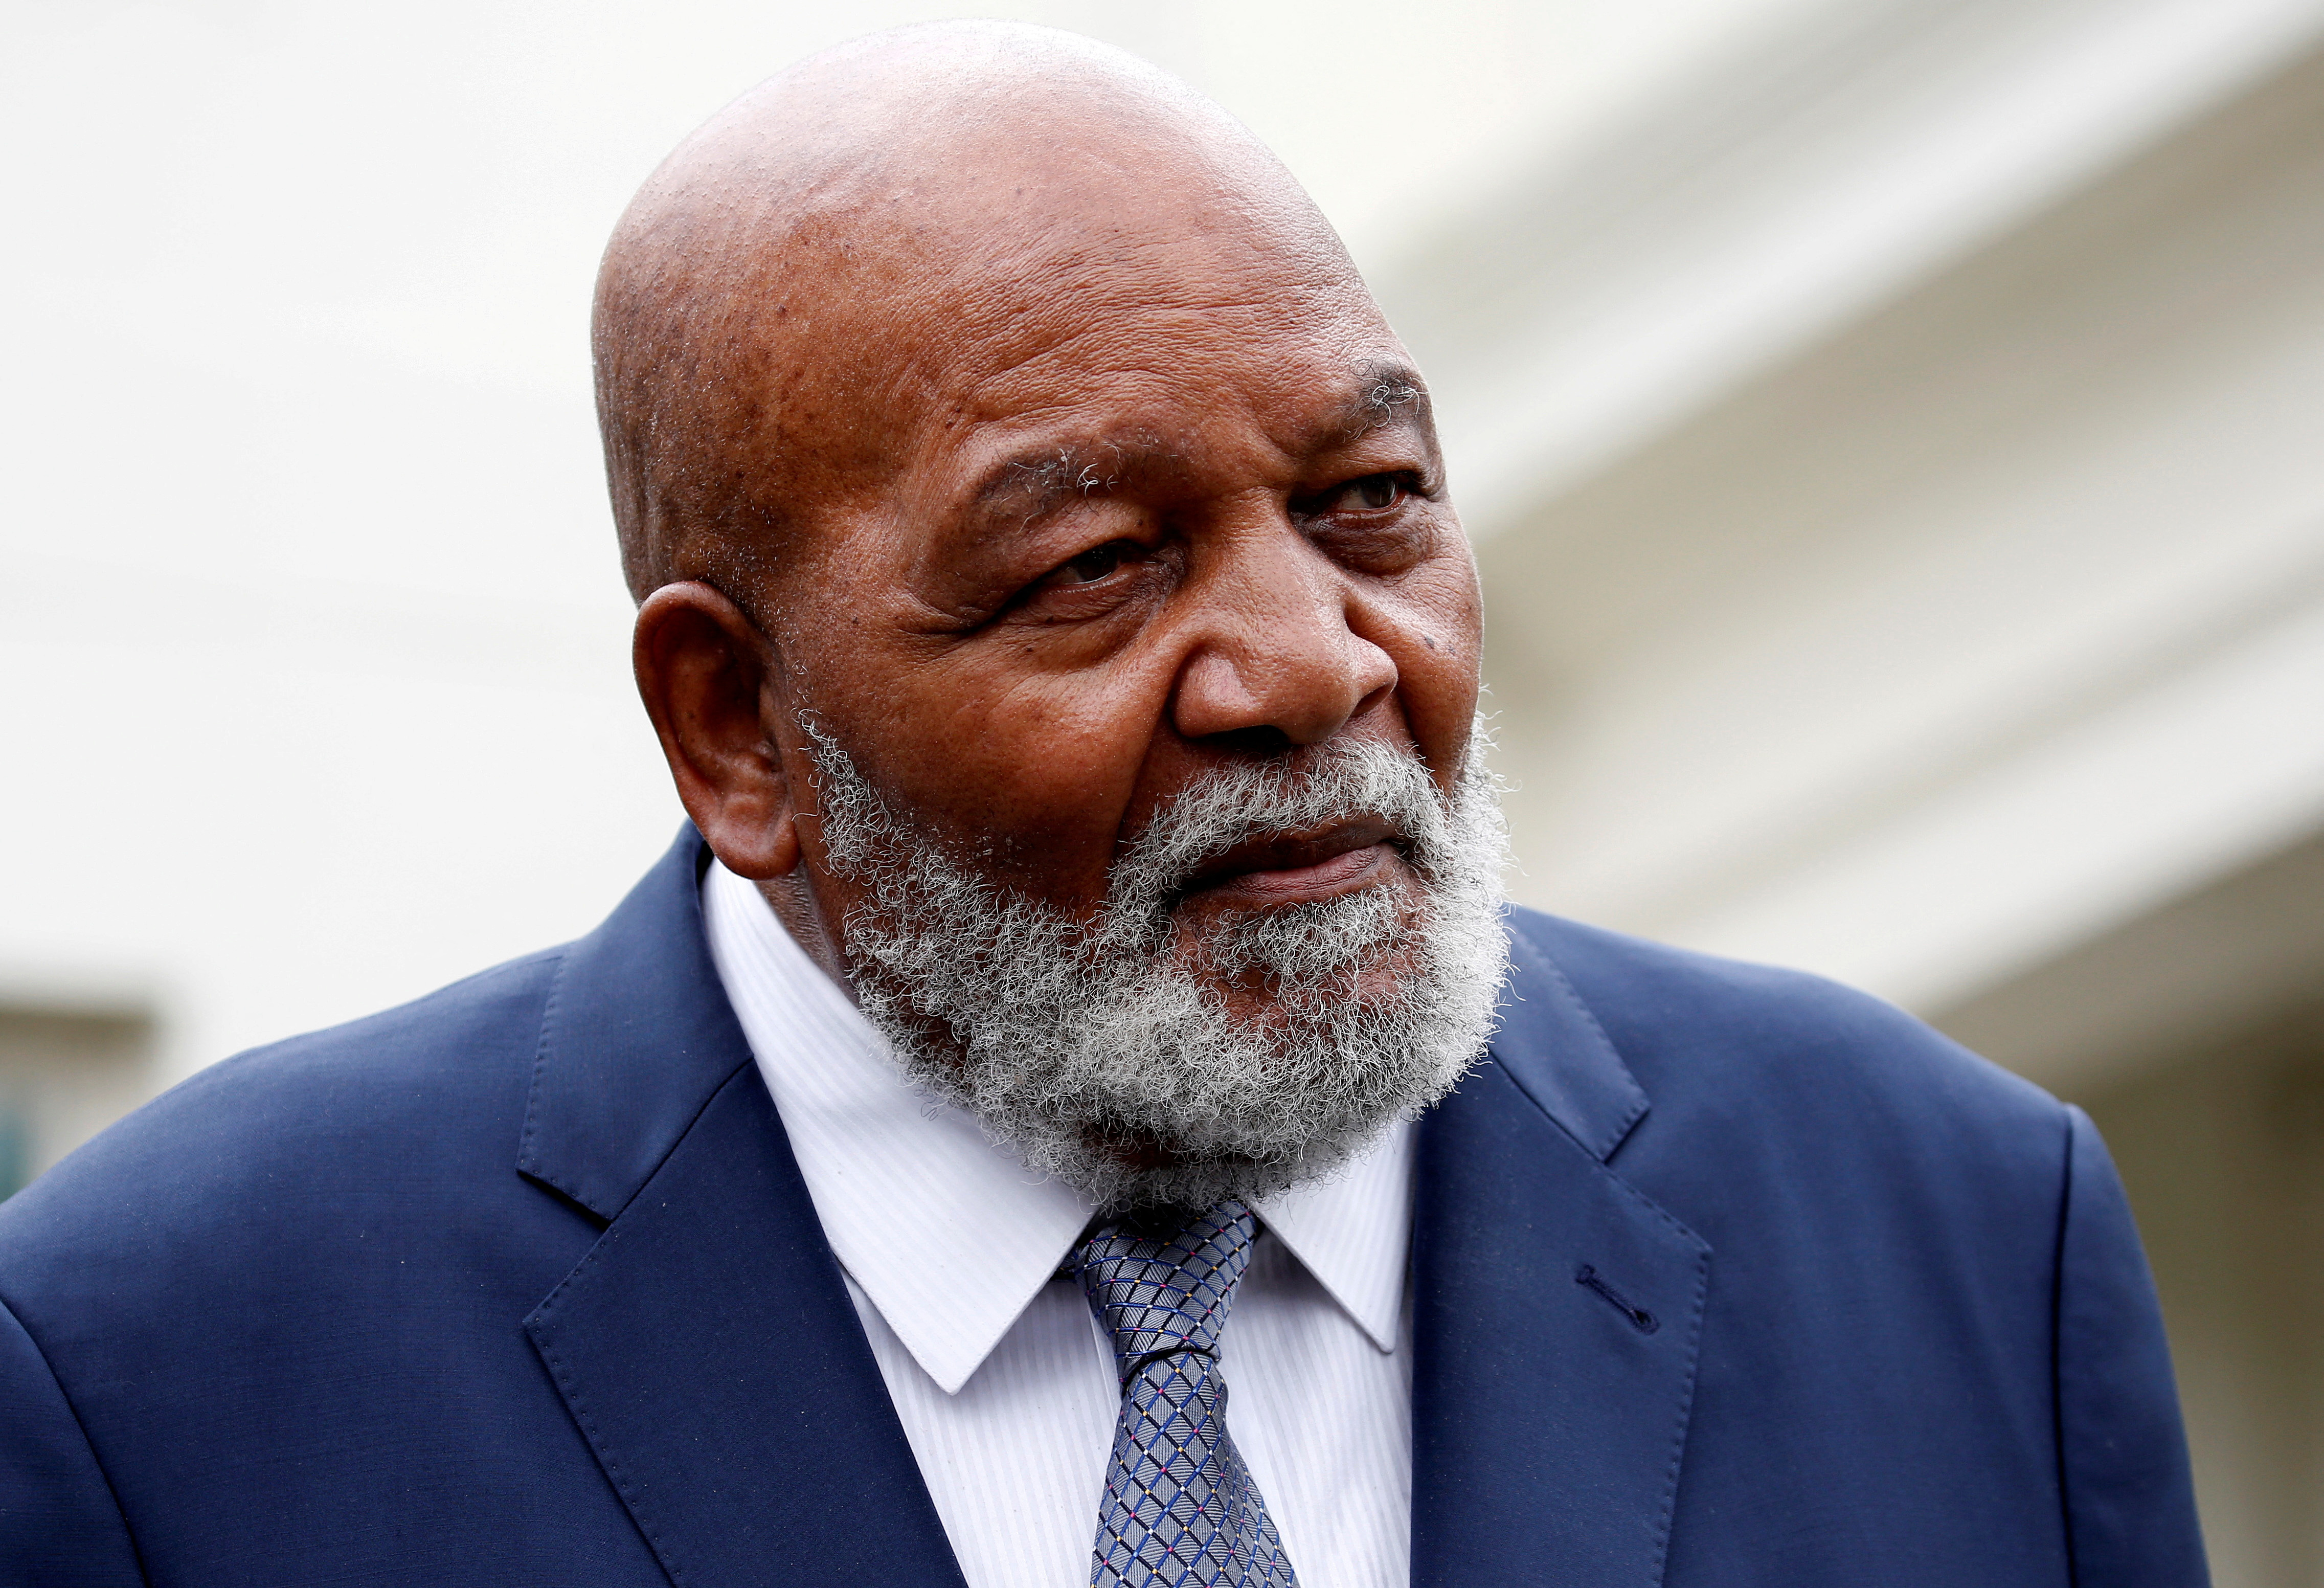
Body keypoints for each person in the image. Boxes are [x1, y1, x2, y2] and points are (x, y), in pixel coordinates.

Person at [0, 21, 2205, 1587]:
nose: (1321, 665)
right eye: (1094, 571)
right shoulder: (155, 1377)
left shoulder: (1957, 1236)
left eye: (1370, 504)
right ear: (738, 726)